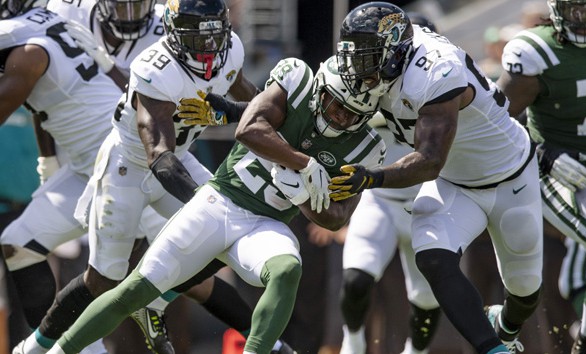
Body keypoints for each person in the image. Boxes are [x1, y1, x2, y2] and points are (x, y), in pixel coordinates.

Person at [42, 54, 386, 354]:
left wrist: (303, 195)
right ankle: (59, 351)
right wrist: (303, 164)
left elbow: (336, 217)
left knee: (286, 269)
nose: (341, 117)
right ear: (321, 90)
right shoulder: (295, 83)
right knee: (132, 291)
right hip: (219, 201)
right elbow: (249, 128)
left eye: (353, 114)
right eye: (336, 104)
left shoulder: (364, 146)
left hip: (266, 223)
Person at [10, 0, 274, 353]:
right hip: (129, 165)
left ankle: (267, 342)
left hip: (176, 156)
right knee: (103, 278)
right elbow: (159, 158)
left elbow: (254, 106)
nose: (208, 48)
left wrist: (284, 128)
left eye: (214, 36)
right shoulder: (154, 67)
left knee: (223, 235)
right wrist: (206, 201)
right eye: (197, 37)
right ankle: (35, 349)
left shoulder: (231, 51)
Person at [332, 3, 543, 354]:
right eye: (355, 56)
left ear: (395, 50)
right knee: (431, 258)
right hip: (454, 181)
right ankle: (494, 349)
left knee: (524, 292)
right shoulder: (379, 66)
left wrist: (370, 178)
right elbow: (305, 107)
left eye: (368, 57)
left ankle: (505, 326)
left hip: (509, 175)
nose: (358, 69)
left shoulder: (435, 69)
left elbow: (429, 160)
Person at [0, 0, 126, 353]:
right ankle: (70, 349)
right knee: (19, 243)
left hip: (122, 164)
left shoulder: (27, 52)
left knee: (133, 275)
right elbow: (41, 102)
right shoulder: (48, 28)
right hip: (91, 165)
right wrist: (49, 164)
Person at [495, 0, 586, 352]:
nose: (582, 19)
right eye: (574, 9)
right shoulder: (537, 50)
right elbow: (493, 122)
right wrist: (542, 152)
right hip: (558, 172)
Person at [339, 14, 441, 354]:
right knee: (356, 279)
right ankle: (352, 343)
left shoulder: (443, 86)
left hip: (428, 202)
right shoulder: (365, 84)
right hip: (379, 198)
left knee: (427, 300)